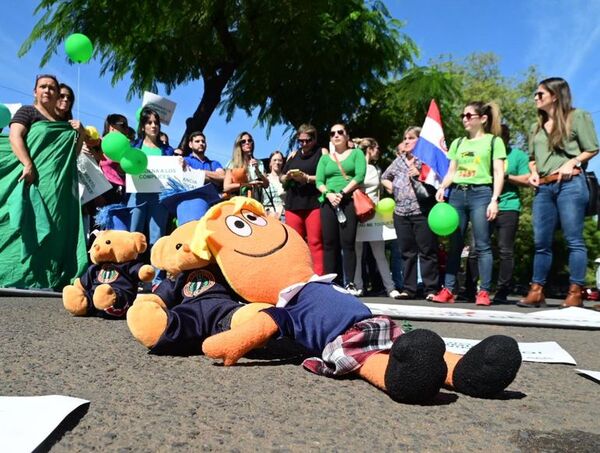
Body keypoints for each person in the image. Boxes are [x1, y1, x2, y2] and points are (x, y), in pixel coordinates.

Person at [0, 74, 87, 290]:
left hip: (55, 187)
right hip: (32, 179)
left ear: (57, 94)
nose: (47, 91)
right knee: (26, 224)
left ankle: (45, 277)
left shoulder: (63, 124)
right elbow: (15, 137)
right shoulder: (28, 112)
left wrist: (81, 134)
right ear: (35, 91)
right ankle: (16, 271)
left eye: (51, 88)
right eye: (42, 87)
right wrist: (27, 164)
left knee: (54, 226)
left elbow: (71, 157)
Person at [518, 77, 599, 308]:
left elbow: (592, 147)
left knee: (574, 239)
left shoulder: (578, 116)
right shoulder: (537, 127)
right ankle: (536, 290)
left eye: (540, 94)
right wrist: (532, 171)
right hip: (543, 187)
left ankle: (575, 291)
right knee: (541, 241)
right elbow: (533, 158)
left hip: (571, 184)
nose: (535, 97)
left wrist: (571, 162)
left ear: (555, 96)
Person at [431, 102, 506, 306]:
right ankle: (448, 289)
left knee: (482, 244)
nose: (464, 118)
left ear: (482, 119)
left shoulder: (493, 141)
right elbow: (451, 171)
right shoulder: (458, 143)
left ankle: (483, 291)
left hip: (481, 194)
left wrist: (494, 200)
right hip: (457, 193)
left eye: (469, 115)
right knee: (455, 243)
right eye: (462, 115)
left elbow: (499, 172)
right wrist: (442, 187)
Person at [465, 124, 530, 303]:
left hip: (509, 207)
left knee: (505, 250)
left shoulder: (517, 155)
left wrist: (505, 176)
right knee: (476, 248)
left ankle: (502, 291)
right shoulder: (484, 152)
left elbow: (527, 179)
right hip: (483, 205)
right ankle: (470, 289)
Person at [382, 127, 439, 300]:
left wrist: (420, 174)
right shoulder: (399, 160)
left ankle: (430, 289)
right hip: (401, 212)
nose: (406, 141)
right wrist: (391, 188)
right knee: (407, 252)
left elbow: (439, 179)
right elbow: (384, 176)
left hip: (421, 210)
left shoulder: (427, 160)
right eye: (405, 138)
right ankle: (409, 289)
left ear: (420, 141)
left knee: (427, 250)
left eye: (411, 138)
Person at [316, 123, 366, 293]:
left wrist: (342, 193)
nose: (336, 135)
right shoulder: (324, 158)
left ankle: (350, 283)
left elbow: (360, 175)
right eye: (332, 133)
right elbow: (319, 181)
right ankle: (332, 284)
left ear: (347, 136)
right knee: (329, 244)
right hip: (328, 203)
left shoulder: (357, 153)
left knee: (348, 243)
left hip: (348, 201)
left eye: (340, 132)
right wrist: (329, 194)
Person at [127, 107, 175, 286]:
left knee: (157, 237)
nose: (153, 126)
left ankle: (157, 280)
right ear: (143, 126)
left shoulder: (168, 150)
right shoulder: (133, 147)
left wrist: (179, 160)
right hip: (137, 194)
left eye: (156, 122)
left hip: (159, 197)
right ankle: (130, 276)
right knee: (134, 237)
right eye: (149, 122)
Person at [353, 138, 400, 299]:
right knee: (357, 253)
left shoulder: (376, 169)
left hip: (373, 213)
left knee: (379, 253)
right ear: (370, 149)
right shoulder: (355, 166)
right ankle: (358, 286)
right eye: (377, 148)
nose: (378, 151)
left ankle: (390, 288)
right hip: (358, 212)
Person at [281, 124, 327, 275]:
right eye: (301, 141)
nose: (304, 144)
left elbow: (326, 177)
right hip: (293, 203)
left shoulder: (322, 152)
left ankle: (319, 277)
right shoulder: (293, 154)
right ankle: (297, 275)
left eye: (307, 140)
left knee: (315, 242)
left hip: (313, 203)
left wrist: (307, 178)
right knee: (296, 243)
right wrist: (287, 177)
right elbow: (281, 177)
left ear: (314, 139)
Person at [223, 131, 269, 199]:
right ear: (239, 145)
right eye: (243, 141)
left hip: (255, 201)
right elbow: (226, 187)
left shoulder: (259, 163)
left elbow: (266, 184)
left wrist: (257, 170)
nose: (247, 143)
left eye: (249, 140)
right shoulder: (232, 163)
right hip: (239, 200)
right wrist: (247, 185)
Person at [99, 113, 130, 204]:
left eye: (127, 126)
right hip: (103, 189)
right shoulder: (98, 143)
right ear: (112, 127)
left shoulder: (127, 146)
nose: (126, 129)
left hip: (122, 191)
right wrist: (97, 195)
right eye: (123, 125)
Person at [263, 150, 286, 220]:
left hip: (284, 215)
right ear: (270, 163)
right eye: (274, 160)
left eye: (280, 160)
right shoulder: (265, 179)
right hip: (268, 216)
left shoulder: (286, 178)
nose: (277, 162)